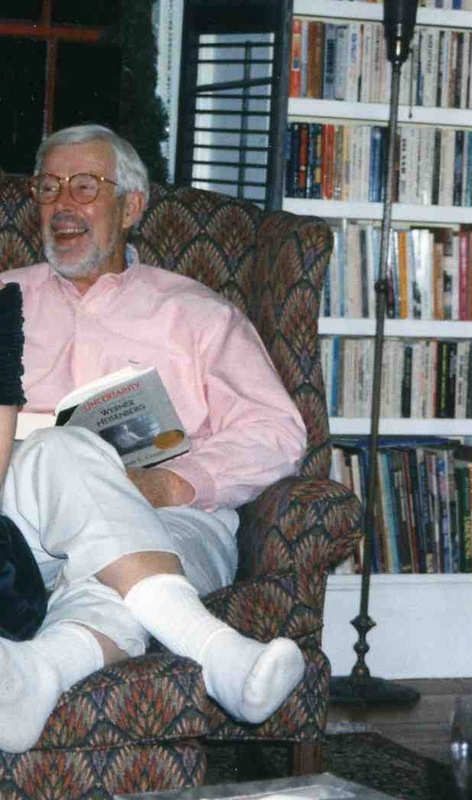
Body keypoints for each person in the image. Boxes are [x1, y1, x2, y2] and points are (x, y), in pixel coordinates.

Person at [0, 124, 308, 754]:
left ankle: (31, 677)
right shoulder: (5, 299)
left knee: (117, 573)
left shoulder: (200, 315)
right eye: (48, 188)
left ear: (131, 206)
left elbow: (277, 432)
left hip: (171, 515)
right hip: (19, 520)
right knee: (61, 449)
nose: (62, 205)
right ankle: (220, 655)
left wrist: (171, 483)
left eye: (85, 187)